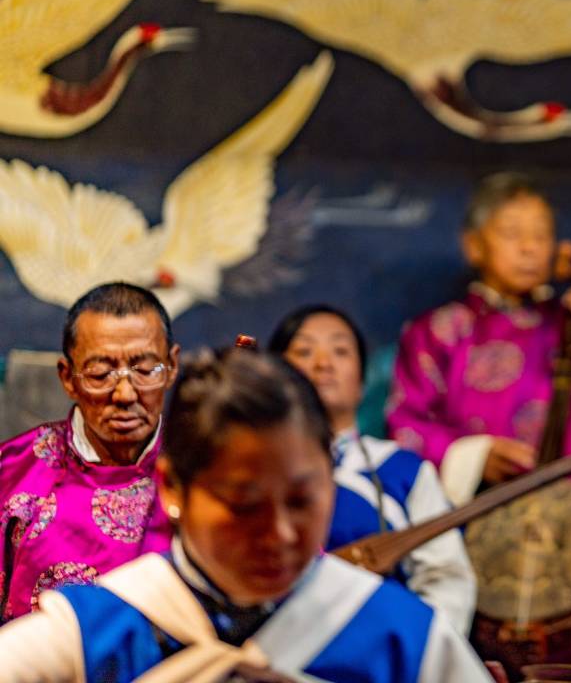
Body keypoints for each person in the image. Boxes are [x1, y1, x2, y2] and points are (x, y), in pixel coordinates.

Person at [0, 346, 494, 683]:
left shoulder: (401, 637)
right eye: (243, 505)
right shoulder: (100, 629)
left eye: (302, 501)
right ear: (173, 487)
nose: (279, 533)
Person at [386, 172, 571, 645]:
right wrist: (479, 456)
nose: (529, 247)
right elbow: (405, 427)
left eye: (540, 235)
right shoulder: (440, 331)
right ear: (474, 246)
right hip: (480, 515)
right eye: (512, 234)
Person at [269, 303, 476, 634]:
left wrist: (413, 653)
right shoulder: (251, 468)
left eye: (340, 351)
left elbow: (445, 580)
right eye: (305, 351)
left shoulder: (402, 471)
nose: (323, 364)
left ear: (361, 384)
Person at [0, 283, 177, 621]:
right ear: (68, 379)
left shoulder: (209, 470)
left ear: (172, 366)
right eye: (100, 372)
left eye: (144, 370)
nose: (125, 394)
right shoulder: (13, 472)